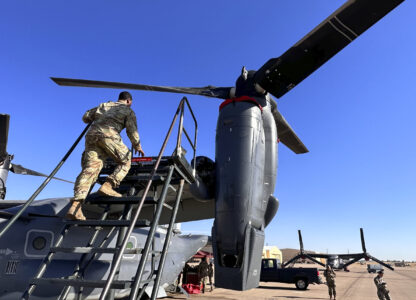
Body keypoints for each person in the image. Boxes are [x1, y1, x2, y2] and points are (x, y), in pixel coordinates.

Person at [66, 91, 145, 220]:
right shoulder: (128, 110)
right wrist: (137, 146)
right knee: (126, 160)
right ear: (129, 101)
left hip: (92, 136)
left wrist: (98, 115)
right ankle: (108, 185)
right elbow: (132, 130)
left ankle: (75, 207)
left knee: (90, 169)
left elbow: (86, 117)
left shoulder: (103, 105)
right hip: (109, 135)